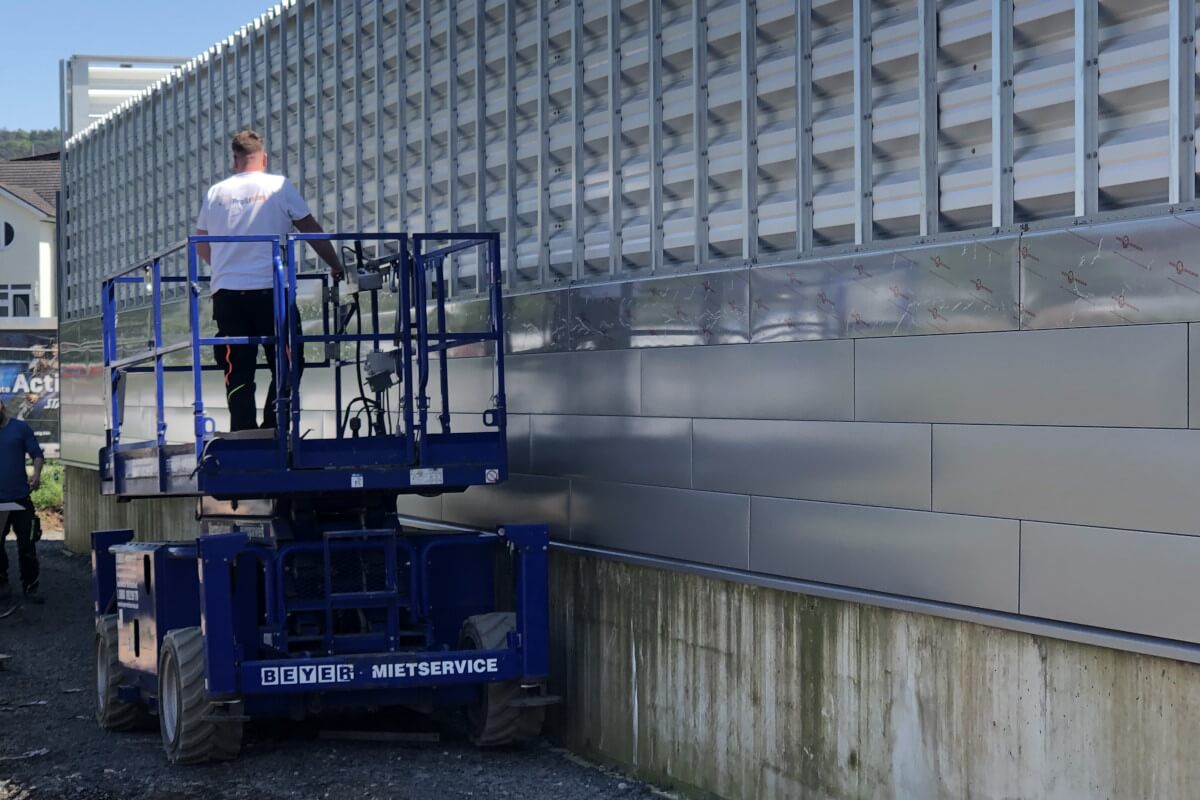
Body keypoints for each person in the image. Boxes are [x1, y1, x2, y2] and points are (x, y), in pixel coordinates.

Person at [195, 130, 344, 432]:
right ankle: (275, 424)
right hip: (270, 292)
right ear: (263, 158)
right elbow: (310, 229)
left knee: (236, 367)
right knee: (289, 358)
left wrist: (226, 266)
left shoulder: (215, 193)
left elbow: (200, 243)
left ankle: (243, 432)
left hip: (227, 294)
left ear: (234, 160)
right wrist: (336, 265)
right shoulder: (279, 186)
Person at [0, 396, 44, 604]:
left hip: (20, 498)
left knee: (27, 544)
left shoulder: (20, 429)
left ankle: (31, 586)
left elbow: (37, 454)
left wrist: (36, 474)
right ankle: (2, 584)